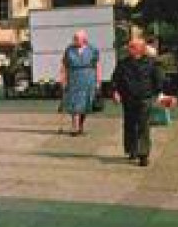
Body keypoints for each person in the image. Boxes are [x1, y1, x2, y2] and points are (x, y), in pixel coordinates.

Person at [110, 35, 163, 167]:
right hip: (128, 98)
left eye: (132, 47)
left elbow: (158, 79)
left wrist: (158, 94)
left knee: (143, 125)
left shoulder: (151, 63)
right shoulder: (123, 63)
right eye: (129, 46)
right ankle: (132, 149)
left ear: (141, 49)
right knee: (129, 125)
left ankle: (143, 154)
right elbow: (115, 79)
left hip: (144, 98)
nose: (129, 48)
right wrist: (115, 92)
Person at [58, 30, 101, 137]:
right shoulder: (69, 49)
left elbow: (98, 65)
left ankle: (80, 125)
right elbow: (64, 65)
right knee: (75, 103)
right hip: (74, 77)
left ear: (84, 39)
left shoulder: (93, 49)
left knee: (85, 104)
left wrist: (98, 80)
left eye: (77, 38)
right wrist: (63, 78)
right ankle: (75, 126)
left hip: (88, 78)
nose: (75, 40)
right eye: (74, 38)